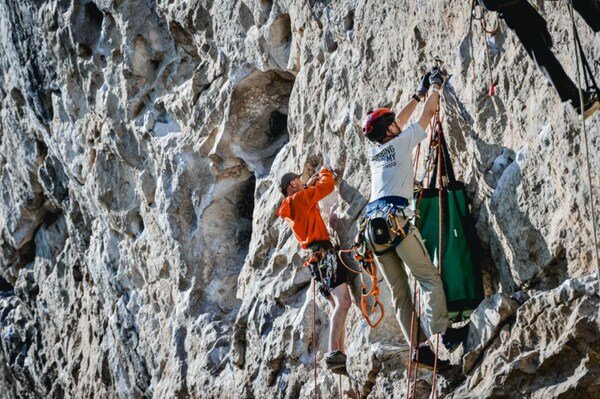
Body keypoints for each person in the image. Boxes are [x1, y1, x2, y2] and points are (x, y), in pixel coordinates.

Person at [358, 67, 468, 368]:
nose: (396, 124)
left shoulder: (376, 153)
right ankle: (444, 333)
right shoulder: (402, 142)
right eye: (391, 124)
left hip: (371, 230)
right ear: (389, 131)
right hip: (396, 221)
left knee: (400, 291)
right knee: (427, 277)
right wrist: (434, 87)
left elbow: (399, 122)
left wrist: (415, 95)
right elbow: (428, 115)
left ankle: (417, 348)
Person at [276, 167, 353, 375]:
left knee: (339, 304)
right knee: (344, 302)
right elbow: (326, 187)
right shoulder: (299, 199)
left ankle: (339, 355)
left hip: (315, 261)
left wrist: (307, 185)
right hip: (324, 256)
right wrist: (326, 171)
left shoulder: (291, 205)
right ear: (292, 185)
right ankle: (333, 352)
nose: (302, 182)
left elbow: (305, 199)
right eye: (299, 181)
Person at [480, 0, 599, 118]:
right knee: (540, 51)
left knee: (541, 42)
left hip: (511, 7)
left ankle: (578, 100)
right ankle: (577, 100)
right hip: (509, 7)